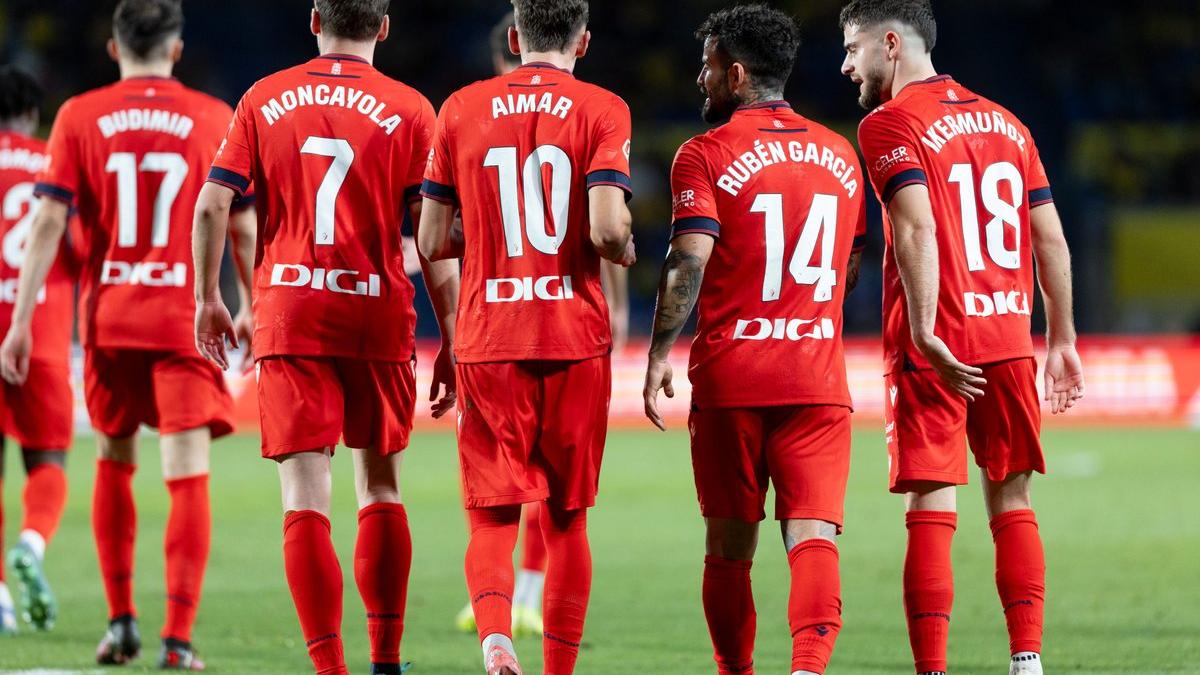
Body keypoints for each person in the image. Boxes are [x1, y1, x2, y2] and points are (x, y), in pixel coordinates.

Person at [192, 1, 457, 674]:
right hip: (375, 311)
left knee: (305, 498)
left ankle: (331, 669)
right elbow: (432, 239)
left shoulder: (265, 96)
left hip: (291, 309)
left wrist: (209, 299)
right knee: (381, 487)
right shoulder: (411, 109)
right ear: (386, 27)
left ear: (313, 19)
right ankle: (387, 661)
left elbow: (213, 201)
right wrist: (452, 332)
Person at [0, 0, 256, 668]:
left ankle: (120, 623)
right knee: (185, 473)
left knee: (115, 461)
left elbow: (49, 224)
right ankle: (176, 639)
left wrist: (21, 321)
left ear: (114, 50)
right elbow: (236, 221)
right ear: (175, 50)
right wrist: (250, 300)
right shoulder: (212, 117)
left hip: (109, 321)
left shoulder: (79, 115)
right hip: (183, 320)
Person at [839, 1, 1085, 674]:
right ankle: (1027, 661)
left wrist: (924, 328)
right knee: (1012, 496)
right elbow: (1051, 239)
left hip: (936, 345)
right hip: (1008, 335)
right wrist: (1060, 335)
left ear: (891, 43)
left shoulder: (888, 123)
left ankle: (934, 669)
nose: (845, 65)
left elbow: (916, 228)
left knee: (930, 501)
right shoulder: (1008, 121)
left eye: (853, 48)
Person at [642, 6, 865, 674]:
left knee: (729, 547)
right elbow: (849, 265)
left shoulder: (704, 154)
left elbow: (688, 258)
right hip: (815, 380)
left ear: (735, 73)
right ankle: (807, 669)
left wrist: (658, 350)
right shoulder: (840, 153)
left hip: (734, 378)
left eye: (708, 65)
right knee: (814, 535)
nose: (700, 78)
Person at [419, 0, 635, 671]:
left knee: (491, 515)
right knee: (567, 519)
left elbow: (430, 240)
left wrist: (482, 234)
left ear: (513, 38)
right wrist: (623, 244)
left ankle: (495, 639)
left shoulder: (459, 107)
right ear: (584, 40)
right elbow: (605, 229)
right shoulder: (604, 108)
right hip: (573, 336)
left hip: (490, 335)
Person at [0, 66, 74, 636]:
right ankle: (31, 542)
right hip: (41, 335)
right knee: (48, 460)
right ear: (32, 114)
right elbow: (75, 246)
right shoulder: (52, 162)